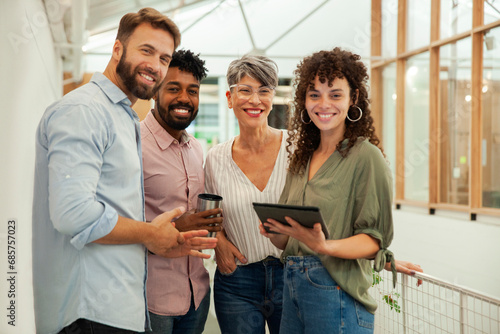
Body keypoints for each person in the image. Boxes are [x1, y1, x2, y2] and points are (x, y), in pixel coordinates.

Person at [32, 9, 216, 334]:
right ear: (117, 49)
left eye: (163, 57)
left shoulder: (122, 116)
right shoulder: (84, 111)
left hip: (119, 310)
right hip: (89, 313)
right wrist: (151, 234)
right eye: (146, 51)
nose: (155, 65)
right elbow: (72, 213)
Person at [260, 47, 395, 333]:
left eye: (335, 94)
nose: (324, 104)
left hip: (337, 296)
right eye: (314, 94)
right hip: (292, 288)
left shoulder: (366, 157)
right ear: (304, 101)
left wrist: (324, 247)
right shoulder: (301, 158)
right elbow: (287, 243)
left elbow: (375, 241)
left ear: (353, 98)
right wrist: (276, 232)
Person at [141, 49, 222, 334]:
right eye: (173, 88)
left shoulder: (196, 148)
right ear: (154, 91)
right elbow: (114, 224)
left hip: (197, 295)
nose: (185, 99)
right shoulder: (133, 145)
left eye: (193, 91)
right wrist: (178, 226)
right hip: (152, 300)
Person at [204, 55, 286, 333]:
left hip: (291, 274)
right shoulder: (215, 158)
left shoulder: (296, 148)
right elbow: (208, 214)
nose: (255, 100)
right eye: (245, 90)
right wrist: (219, 242)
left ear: (272, 97)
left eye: (264, 91)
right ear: (229, 98)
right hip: (237, 279)